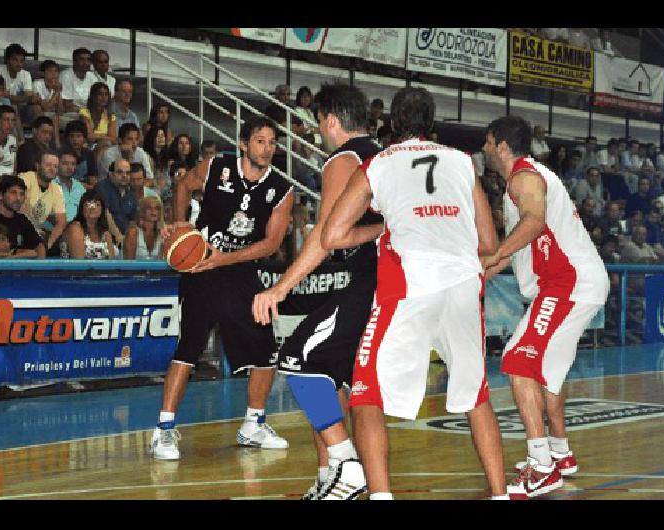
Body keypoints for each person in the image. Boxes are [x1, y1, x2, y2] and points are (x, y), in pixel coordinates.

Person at [320, 87, 507, 501]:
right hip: (462, 285)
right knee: (476, 396)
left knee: (366, 392)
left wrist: (384, 229)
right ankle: (500, 494)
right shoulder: (462, 163)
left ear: (391, 124)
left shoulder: (378, 164)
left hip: (409, 286)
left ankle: (382, 496)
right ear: (432, 122)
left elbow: (332, 236)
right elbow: (490, 242)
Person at [251, 83, 382, 500]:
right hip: (387, 279)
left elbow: (325, 237)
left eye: (318, 124)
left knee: (296, 360)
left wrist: (280, 289)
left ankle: (346, 462)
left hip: (366, 277)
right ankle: (330, 475)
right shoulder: (384, 155)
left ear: (330, 120)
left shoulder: (344, 159)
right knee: (328, 379)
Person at [149, 116, 294, 461]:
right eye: (260, 141)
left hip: (241, 270)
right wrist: (179, 223)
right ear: (244, 144)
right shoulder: (218, 166)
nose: (267, 148)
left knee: (265, 349)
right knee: (190, 346)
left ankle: (253, 424)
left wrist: (224, 258)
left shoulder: (282, 190)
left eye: (272, 142)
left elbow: (271, 244)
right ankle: (164, 431)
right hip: (201, 266)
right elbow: (183, 185)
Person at [480, 115, 610, 499]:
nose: (484, 149)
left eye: (488, 142)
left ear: (502, 145)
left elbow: (534, 222)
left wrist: (496, 254)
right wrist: (482, 272)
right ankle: (559, 453)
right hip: (571, 284)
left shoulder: (524, 178)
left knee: (519, 360)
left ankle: (541, 468)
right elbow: (519, 243)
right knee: (545, 374)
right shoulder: (523, 180)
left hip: (567, 283)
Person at [19, 149, 67, 254]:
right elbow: (18, 208)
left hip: (37, 235)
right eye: (48, 165)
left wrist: (49, 245)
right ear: (37, 166)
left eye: (55, 166)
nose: (52, 169)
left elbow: (61, 222)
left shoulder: (57, 188)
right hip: (18, 230)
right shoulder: (26, 178)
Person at [61, 190, 116, 259]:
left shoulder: (106, 234)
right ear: (82, 209)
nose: (92, 207)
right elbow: (78, 263)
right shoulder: (75, 228)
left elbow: (112, 263)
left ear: (102, 210)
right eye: (88, 204)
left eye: (97, 204)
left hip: (103, 269)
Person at [96, 158, 137, 242]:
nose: (124, 176)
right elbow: (106, 213)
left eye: (128, 173)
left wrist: (130, 237)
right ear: (111, 174)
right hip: (106, 236)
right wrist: (118, 236)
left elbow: (133, 220)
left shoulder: (131, 193)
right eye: (120, 172)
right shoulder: (102, 188)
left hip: (125, 237)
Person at [123, 195, 164, 260]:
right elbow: (128, 264)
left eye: (157, 208)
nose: (153, 211)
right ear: (142, 212)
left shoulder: (162, 234)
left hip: (156, 270)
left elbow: (162, 261)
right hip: (134, 269)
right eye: (149, 208)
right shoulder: (133, 234)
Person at [79, 82, 116, 150]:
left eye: (106, 94)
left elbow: (113, 139)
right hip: (88, 146)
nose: (103, 97)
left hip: (106, 147)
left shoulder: (111, 116)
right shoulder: (84, 113)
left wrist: (97, 136)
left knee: (106, 144)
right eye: (100, 94)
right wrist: (104, 135)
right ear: (93, 96)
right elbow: (89, 137)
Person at [55, 147, 86, 223]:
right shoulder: (50, 185)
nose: (69, 167)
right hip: (52, 230)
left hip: (77, 228)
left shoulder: (80, 187)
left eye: (73, 164)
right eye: (65, 163)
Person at [64, 120, 99, 187]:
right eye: (72, 136)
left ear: (84, 139)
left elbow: (92, 176)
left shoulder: (89, 154)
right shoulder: (63, 155)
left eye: (78, 136)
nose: (75, 139)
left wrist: (93, 183)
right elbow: (62, 179)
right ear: (67, 138)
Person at [61, 48, 95, 113]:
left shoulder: (92, 77)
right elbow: (67, 106)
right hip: (71, 114)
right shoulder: (66, 76)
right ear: (74, 61)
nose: (86, 63)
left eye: (88, 60)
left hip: (88, 114)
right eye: (82, 59)